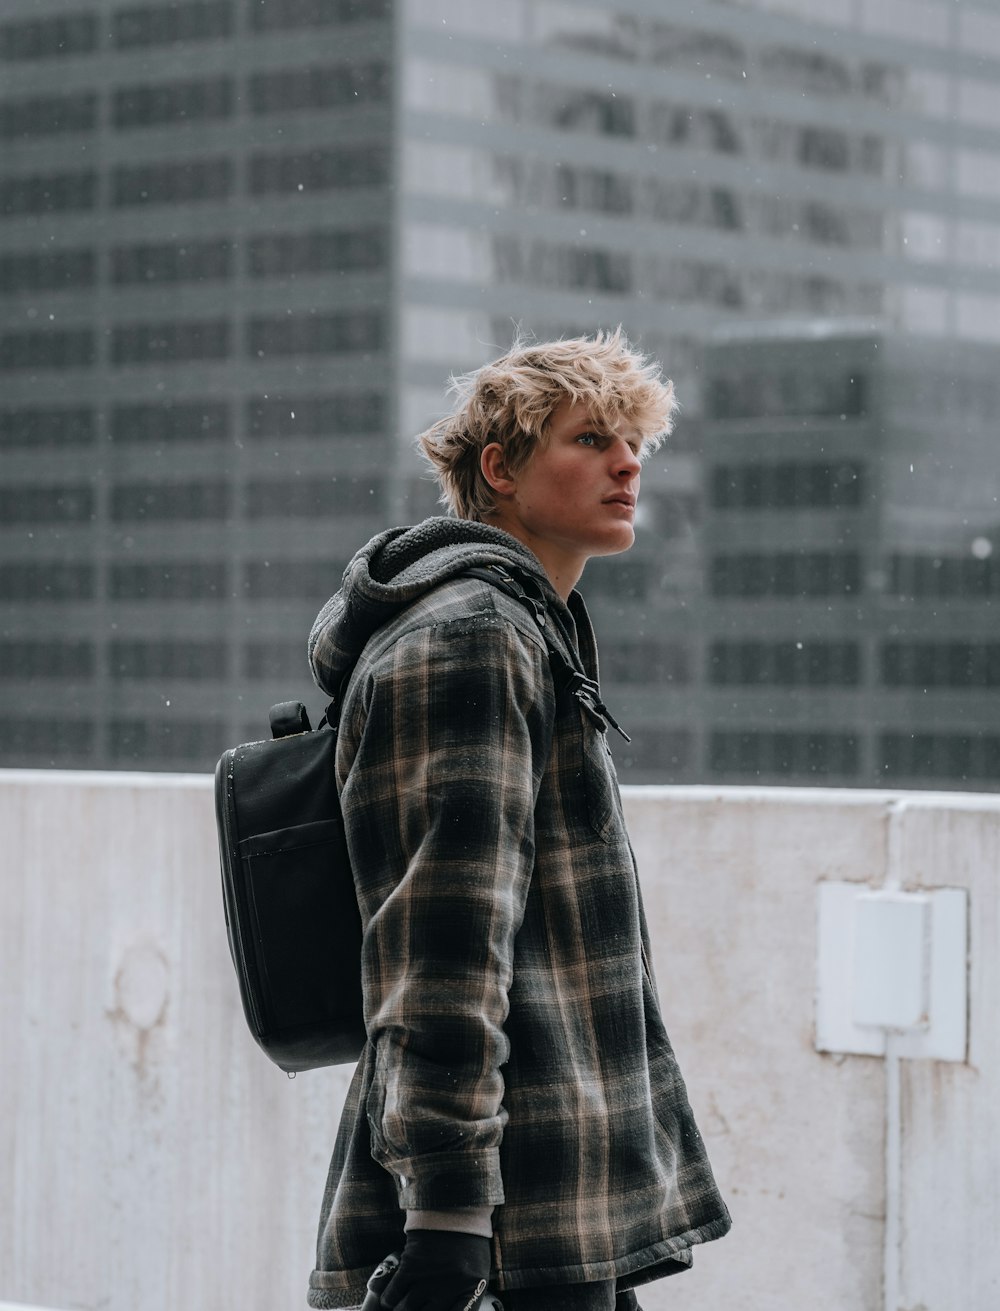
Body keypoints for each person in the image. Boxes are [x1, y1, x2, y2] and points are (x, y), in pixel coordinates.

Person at [306, 330, 731, 1311]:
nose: (627, 463)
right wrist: (449, 1214)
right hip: (500, 1212)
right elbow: (442, 938)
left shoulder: (521, 626)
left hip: (552, 1199)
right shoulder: (473, 638)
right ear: (498, 468)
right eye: (590, 439)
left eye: (635, 443)